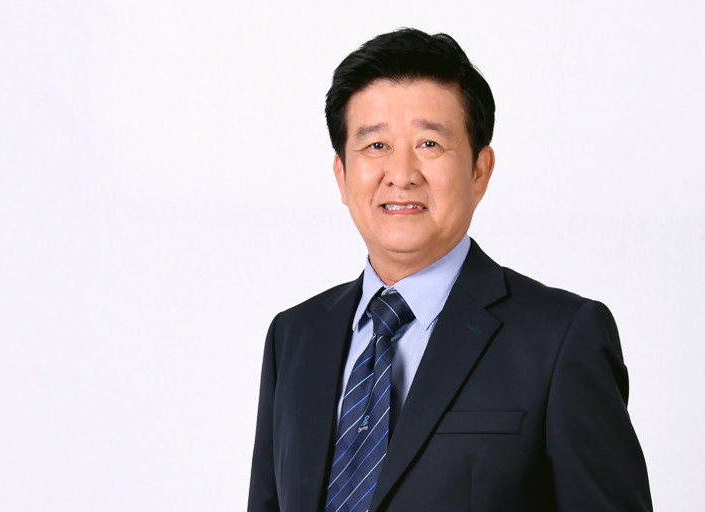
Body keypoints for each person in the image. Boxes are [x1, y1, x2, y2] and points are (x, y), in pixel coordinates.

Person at [247, 28, 652, 512]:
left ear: (480, 171)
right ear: (342, 174)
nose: (401, 174)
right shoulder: (294, 337)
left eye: (429, 144)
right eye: (375, 146)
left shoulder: (560, 340)